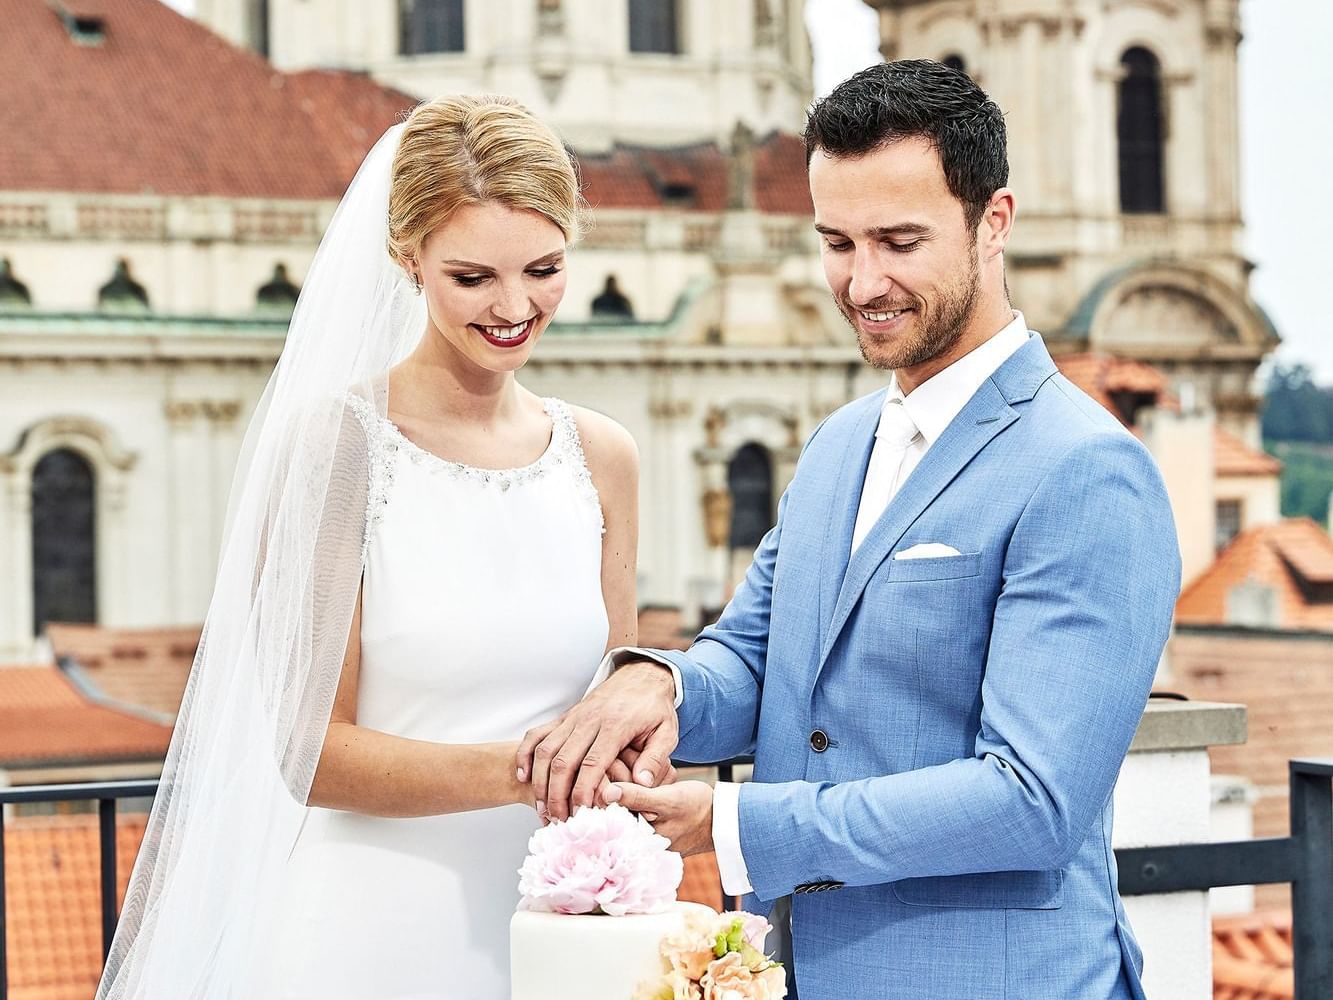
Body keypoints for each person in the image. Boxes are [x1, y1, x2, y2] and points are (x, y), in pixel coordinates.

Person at [518, 60, 1182, 1000]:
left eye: (898, 241)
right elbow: (757, 655)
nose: (862, 281)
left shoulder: (1086, 467)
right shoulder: (839, 443)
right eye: (836, 242)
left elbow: (1031, 801)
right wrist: (657, 685)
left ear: (992, 222)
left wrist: (738, 824)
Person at [97, 95, 641, 1000]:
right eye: (472, 278)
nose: (515, 307)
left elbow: (614, 694)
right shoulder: (337, 445)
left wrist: (631, 752)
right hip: (376, 927)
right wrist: (532, 772)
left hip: (564, 920)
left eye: (543, 269)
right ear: (406, 258)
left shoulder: (604, 454)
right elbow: (310, 753)